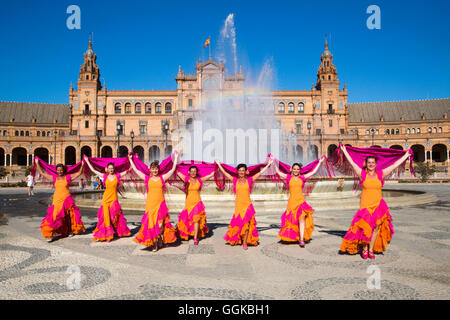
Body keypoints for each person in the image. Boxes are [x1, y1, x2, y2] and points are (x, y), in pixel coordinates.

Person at [339, 145, 411, 259]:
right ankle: (365, 249)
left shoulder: (380, 174)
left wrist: (406, 156)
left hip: (378, 204)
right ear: (366, 164)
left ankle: (371, 249)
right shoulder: (362, 174)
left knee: (376, 227)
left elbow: (394, 165)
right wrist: (345, 151)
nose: (371, 164)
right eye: (369, 163)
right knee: (366, 227)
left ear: (376, 164)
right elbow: (352, 163)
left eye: (373, 162)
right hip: (366, 205)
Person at [216, 159, 273, 250]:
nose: (241, 172)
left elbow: (260, 173)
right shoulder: (234, 180)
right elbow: (225, 173)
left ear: (246, 172)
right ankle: (240, 239)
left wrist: (268, 165)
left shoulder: (250, 180)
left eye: (243, 170)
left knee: (246, 224)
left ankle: (245, 242)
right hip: (238, 206)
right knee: (239, 224)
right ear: (237, 172)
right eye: (240, 170)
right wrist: (219, 164)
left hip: (247, 205)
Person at [129, 153, 179, 251]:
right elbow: (136, 170)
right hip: (150, 205)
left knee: (160, 226)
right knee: (152, 225)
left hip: (160, 205)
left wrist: (176, 158)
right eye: (153, 169)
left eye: (156, 169)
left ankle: (159, 237)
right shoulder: (147, 178)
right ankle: (155, 244)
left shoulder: (162, 178)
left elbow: (172, 170)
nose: (155, 170)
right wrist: (131, 160)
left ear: (158, 169)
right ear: (150, 169)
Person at [274, 157, 325, 247]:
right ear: (291, 170)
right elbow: (278, 172)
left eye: (298, 169)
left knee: (301, 219)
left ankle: (301, 239)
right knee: (292, 221)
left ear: (300, 170)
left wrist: (320, 163)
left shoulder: (302, 177)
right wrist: (273, 163)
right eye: (294, 169)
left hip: (301, 202)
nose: (296, 170)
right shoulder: (288, 177)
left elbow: (312, 172)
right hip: (292, 202)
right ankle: (294, 237)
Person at [35, 159, 86, 241]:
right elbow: (42, 173)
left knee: (68, 216)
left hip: (66, 199)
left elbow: (79, 173)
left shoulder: (68, 177)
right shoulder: (54, 177)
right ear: (56, 171)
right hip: (57, 199)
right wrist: (37, 163)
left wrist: (82, 164)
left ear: (63, 170)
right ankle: (51, 233)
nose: (59, 171)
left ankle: (69, 231)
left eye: (61, 170)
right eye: (58, 170)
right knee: (54, 216)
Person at [84, 157, 132, 242]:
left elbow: (128, 170)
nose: (111, 169)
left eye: (112, 168)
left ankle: (115, 231)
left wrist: (131, 160)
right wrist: (87, 161)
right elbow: (94, 170)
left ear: (114, 169)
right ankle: (108, 234)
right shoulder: (104, 176)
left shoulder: (118, 175)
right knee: (106, 217)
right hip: (105, 199)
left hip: (114, 199)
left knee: (114, 216)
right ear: (107, 169)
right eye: (109, 168)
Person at [175, 166, 215, 245]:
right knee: (187, 219)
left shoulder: (199, 180)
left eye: (194, 171)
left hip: (197, 203)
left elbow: (210, 175)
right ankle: (190, 234)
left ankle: (195, 237)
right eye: (191, 171)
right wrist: (174, 161)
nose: (193, 173)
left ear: (196, 172)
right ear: (189, 172)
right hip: (188, 203)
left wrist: (216, 168)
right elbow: (177, 172)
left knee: (196, 220)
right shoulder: (186, 179)